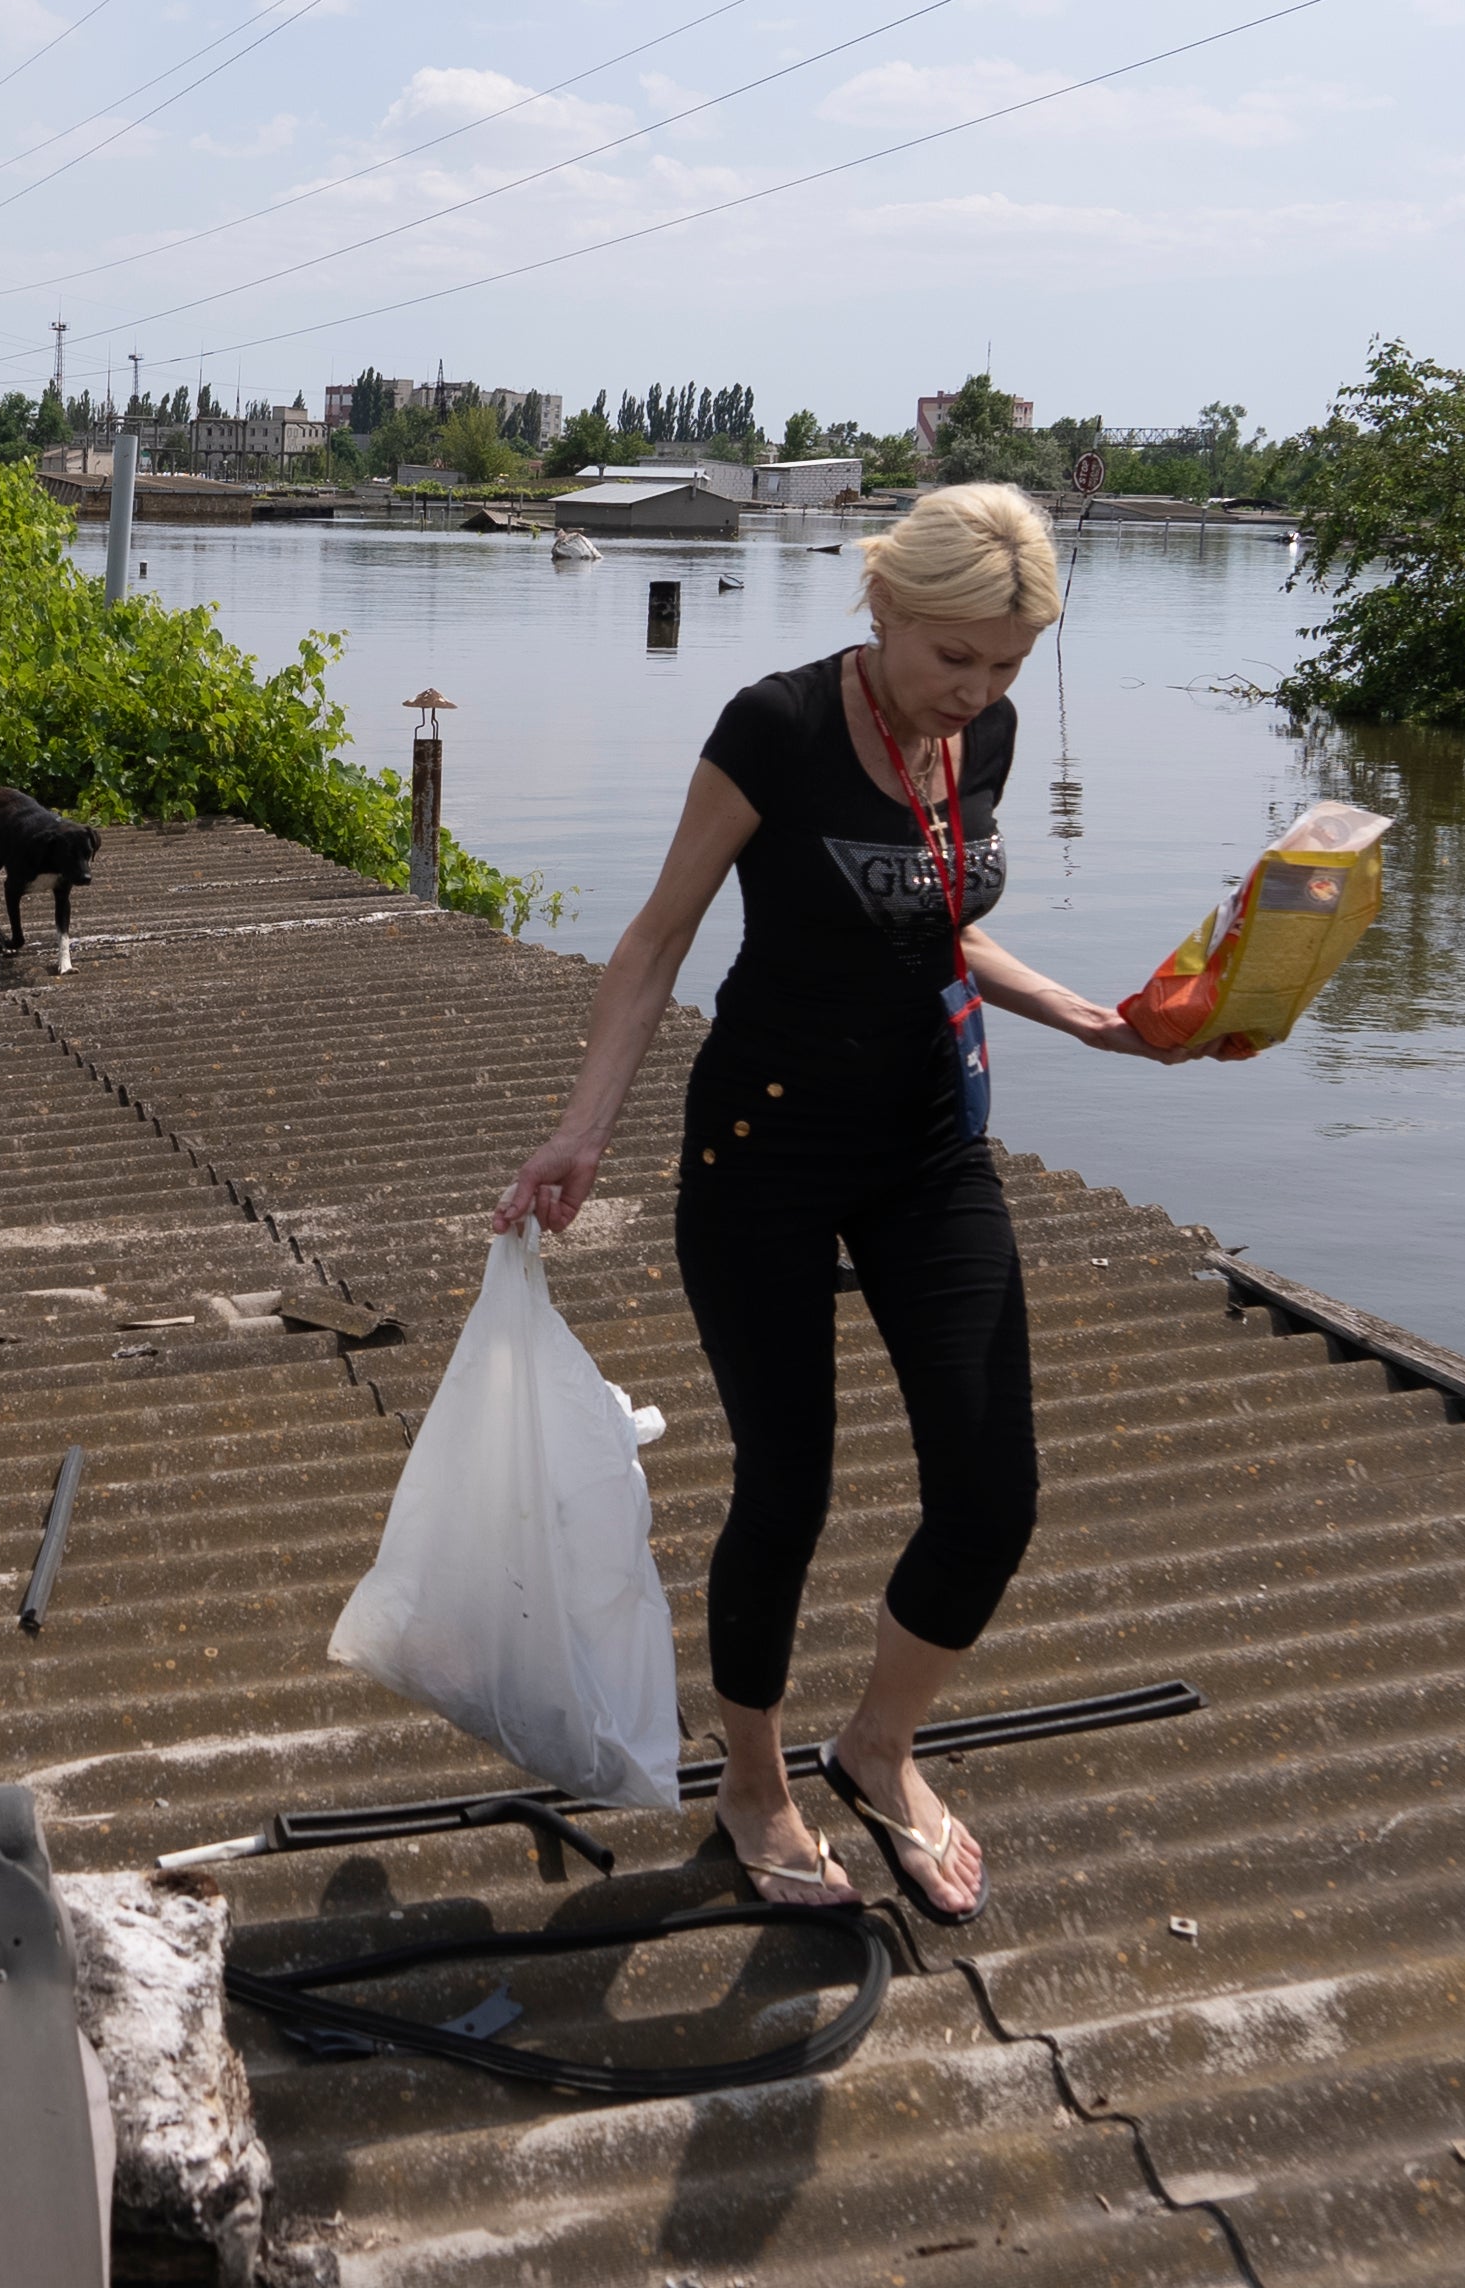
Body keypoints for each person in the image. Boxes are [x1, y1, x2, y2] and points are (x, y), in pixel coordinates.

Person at [490, 483, 1183, 1922]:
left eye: (1006, 666)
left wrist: (1085, 1016)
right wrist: (581, 1132)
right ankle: (751, 1776)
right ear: (882, 608)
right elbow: (657, 936)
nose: (979, 695)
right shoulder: (778, 729)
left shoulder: (979, 733)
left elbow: (935, 921)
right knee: (787, 1485)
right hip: (768, 1141)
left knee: (993, 1496)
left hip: (926, 1141)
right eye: (954, 659)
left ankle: (879, 1744)